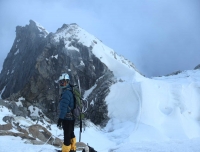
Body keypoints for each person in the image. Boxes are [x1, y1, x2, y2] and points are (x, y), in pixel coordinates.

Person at [57, 73, 76, 152]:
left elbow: (64, 108)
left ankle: (65, 150)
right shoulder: (70, 90)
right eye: (60, 82)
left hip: (67, 118)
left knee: (66, 135)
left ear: (67, 82)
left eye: (63, 82)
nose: (61, 83)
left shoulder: (66, 93)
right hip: (72, 117)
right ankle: (72, 149)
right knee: (71, 133)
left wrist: (60, 119)